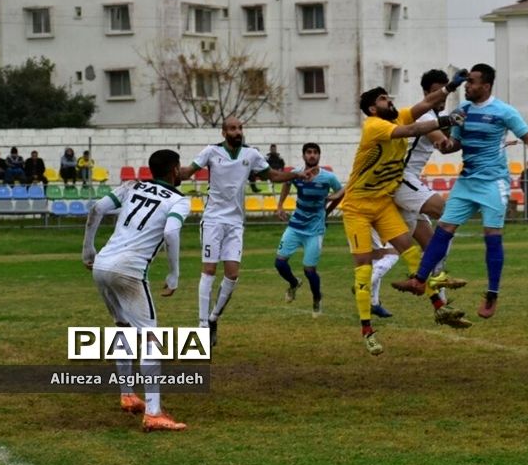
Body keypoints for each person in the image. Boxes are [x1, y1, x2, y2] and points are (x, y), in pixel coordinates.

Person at [394, 63, 528, 321]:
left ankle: (492, 293)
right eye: (467, 81)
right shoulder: (462, 111)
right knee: (443, 229)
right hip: (466, 182)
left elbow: (527, 135)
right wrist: (446, 144)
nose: (467, 85)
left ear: (486, 86)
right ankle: (420, 280)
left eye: (473, 82)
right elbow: (454, 144)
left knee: (491, 235)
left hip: (493, 183)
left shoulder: (504, 111)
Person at [342, 73, 472, 356]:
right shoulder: (375, 125)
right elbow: (411, 131)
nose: (390, 100)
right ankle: (367, 331)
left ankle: (440, 306)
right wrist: (448, 121)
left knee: (412, 255)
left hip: (383, 202)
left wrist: (450, 87)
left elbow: (425, 104)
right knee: (362, 269)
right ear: (373, 109)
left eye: (389, 97)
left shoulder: (395, 116)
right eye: (383, 98)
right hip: (359, 209)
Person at [81, 149, 192, 432]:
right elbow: (170, 233)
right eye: (179, 168)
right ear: (174, 170)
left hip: (102, 264)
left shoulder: (132, 186)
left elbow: (96, 209)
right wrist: (174, 273)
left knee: (123, 327)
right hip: (129, 270)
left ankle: (128, 394)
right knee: (151, 337)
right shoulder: (180, 200)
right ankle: (153, 412)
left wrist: (88, 249)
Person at [178, 117, 307, 347]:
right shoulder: (211, 152)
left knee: (232, 275)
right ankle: (201, 326)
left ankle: (213, 317)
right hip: (213, 220)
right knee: (209, 270)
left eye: (239, 128)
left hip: (235, 223)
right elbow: (188, 171)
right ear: (223, 132)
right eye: (232, 128)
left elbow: (274, 176)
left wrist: (296, 174)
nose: (237, 132)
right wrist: (171, 172)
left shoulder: (251, 155)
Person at [369, 69, 461, 319]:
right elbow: (445, 146)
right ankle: (435, 278)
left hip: (406, 184)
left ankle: (442, 308)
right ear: (426, 93)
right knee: (448, 213)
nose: (441, 95)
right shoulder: (428, 116)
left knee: (422, 248)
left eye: (444, 89)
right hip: (403, 181)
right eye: (436, 90)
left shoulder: (434, 115)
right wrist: (477, 139)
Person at [274, 143, 342, 315]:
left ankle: (317, 298)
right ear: (303, 156)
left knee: (309, 270)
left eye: (315, 153)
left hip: (315, 229)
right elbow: (287, 183)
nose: (312, 156)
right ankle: (294, 283)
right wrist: (280, 205)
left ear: (319, 156)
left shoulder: (328, 177)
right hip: (296, 225)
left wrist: (328, 210)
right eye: (309, 153)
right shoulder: (297, 174)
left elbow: (341, 192)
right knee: (279, 263)